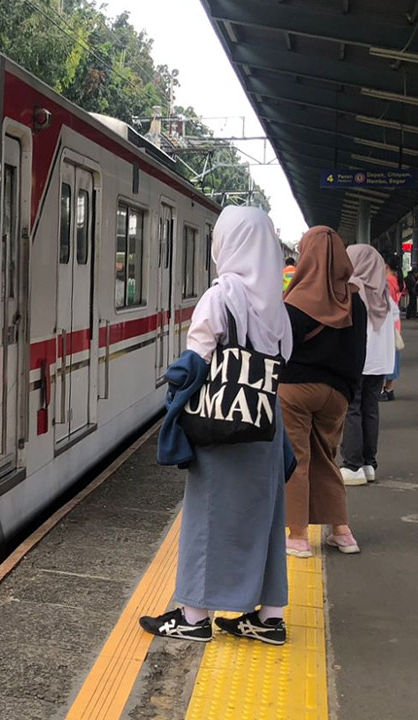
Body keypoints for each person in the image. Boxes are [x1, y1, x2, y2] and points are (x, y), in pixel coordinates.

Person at [139, 207, 294, 645]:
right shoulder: (277, 305)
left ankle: (192, 616)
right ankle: (269, 617)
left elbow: (195, 362)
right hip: (265, 424)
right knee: (264, 518)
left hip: (221, 423)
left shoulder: (221, 295)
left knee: (207, 518)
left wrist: (173, 397)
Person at [280, 227, 366, 557]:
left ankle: (298, 536)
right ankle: (342, 532)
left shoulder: (297, 300)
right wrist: (348, 391)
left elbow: (281, 348)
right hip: (338, 393)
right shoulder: (355, 301)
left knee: (297, 459)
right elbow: (359, 350)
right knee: (326, 458)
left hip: (295, 390)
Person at [339, 246, 398, 485]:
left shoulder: (353, 290)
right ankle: (368, 463)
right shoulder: (383, 292)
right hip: (379, 363)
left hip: (358, 360)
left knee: (352, 408)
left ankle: (352, 466)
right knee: (370, 409)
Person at [383, 259, 404, 401]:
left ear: (386, 266)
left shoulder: (387, 281)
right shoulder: (398, 280)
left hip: (388, 322)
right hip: (396, 323)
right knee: (394, 357)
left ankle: (387, 389)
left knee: (386, 356)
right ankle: (389, 388)